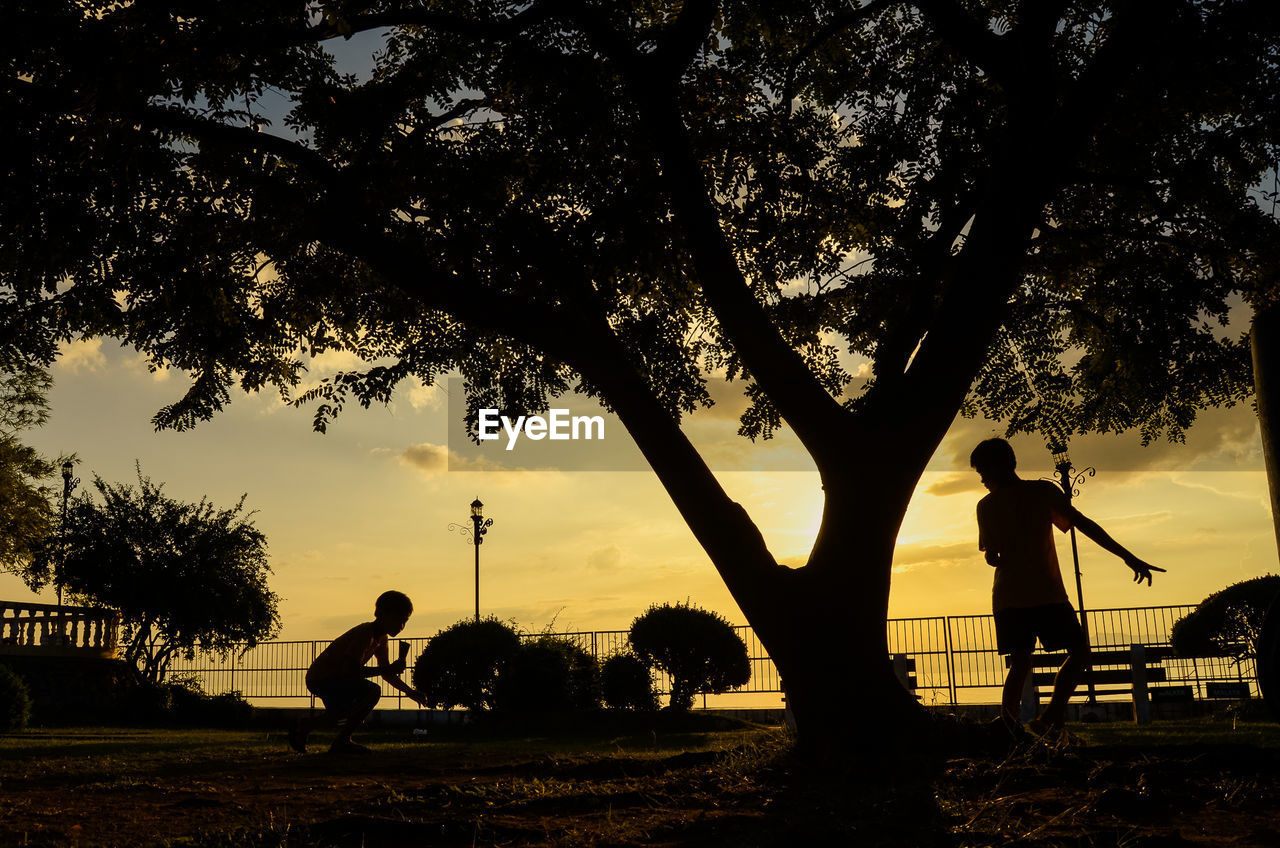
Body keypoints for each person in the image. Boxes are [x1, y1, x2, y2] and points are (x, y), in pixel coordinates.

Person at [970, 438, 1165, 737]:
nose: (982, 479)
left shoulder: (987, 506)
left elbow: (991, 555)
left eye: (983, 471)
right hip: (1046, 592)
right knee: (1078, 653)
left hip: (1011, 597)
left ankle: (1011, 729)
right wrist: (1128, 556)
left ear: (999, 467)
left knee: (1020, 662)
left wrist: (995, 556)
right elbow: (1084, 524)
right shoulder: (1042, 492)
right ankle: (1051, 717)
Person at [288, 590, 428, 754]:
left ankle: (307, 728)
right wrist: (388, 669)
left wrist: (409, 691)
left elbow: (385, 673)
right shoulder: (365, 634)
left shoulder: (381, 639)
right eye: (397, 619)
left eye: (404, 621)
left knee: (339, 715)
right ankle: (338, 739)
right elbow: (351, 670)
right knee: (369, 694)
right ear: (380, 614)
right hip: (323, 678)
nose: (401, 626)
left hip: (332, 679)